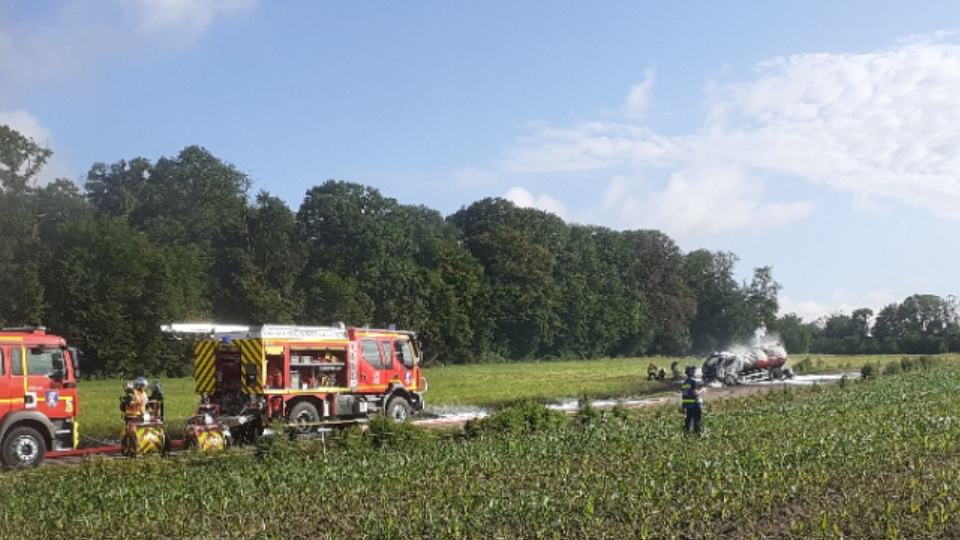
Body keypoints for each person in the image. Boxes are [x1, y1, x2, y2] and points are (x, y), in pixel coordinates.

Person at [681, 365, 706, 435]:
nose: (695, 373)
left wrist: (683, 406)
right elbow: (695, 393)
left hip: (688, 405)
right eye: (694, 371)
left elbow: (684, 395)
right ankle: (698, 435)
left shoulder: (684, 382)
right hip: (695, 405)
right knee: (697, 420)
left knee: (688, 421)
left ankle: (686, 434)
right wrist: (702, 390)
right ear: (692, 372)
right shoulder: (693, 381)